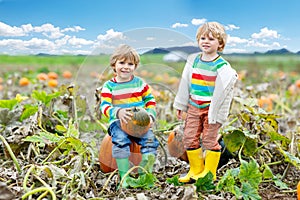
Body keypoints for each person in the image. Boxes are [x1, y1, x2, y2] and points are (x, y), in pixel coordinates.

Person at [173, 22, 238, 183]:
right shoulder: (193, 60)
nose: (206, 41)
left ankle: (209, 173)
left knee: (209, 140)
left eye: (211, 39)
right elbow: (185, 84)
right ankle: (195, 170)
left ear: (220, 43)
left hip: (211, 109)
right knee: (189, 137)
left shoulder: (222, 66)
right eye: (203, 38)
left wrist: (219, 115)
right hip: (194, 106)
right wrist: (181, 104)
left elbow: (225, 95)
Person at [100, 44, 159, 188]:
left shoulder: (140, 84)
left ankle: (146, 175)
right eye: (122, 63)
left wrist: (150, 116)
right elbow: (105, 106)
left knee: (150, 140)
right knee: (120, 140)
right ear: (114, 64)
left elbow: (150, 100)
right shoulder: (109, 86)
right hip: (118, 123)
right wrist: (118, 112)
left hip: (139, 123)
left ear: (135, 66)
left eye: (130, 64)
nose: (126, 67)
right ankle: (124, 177)